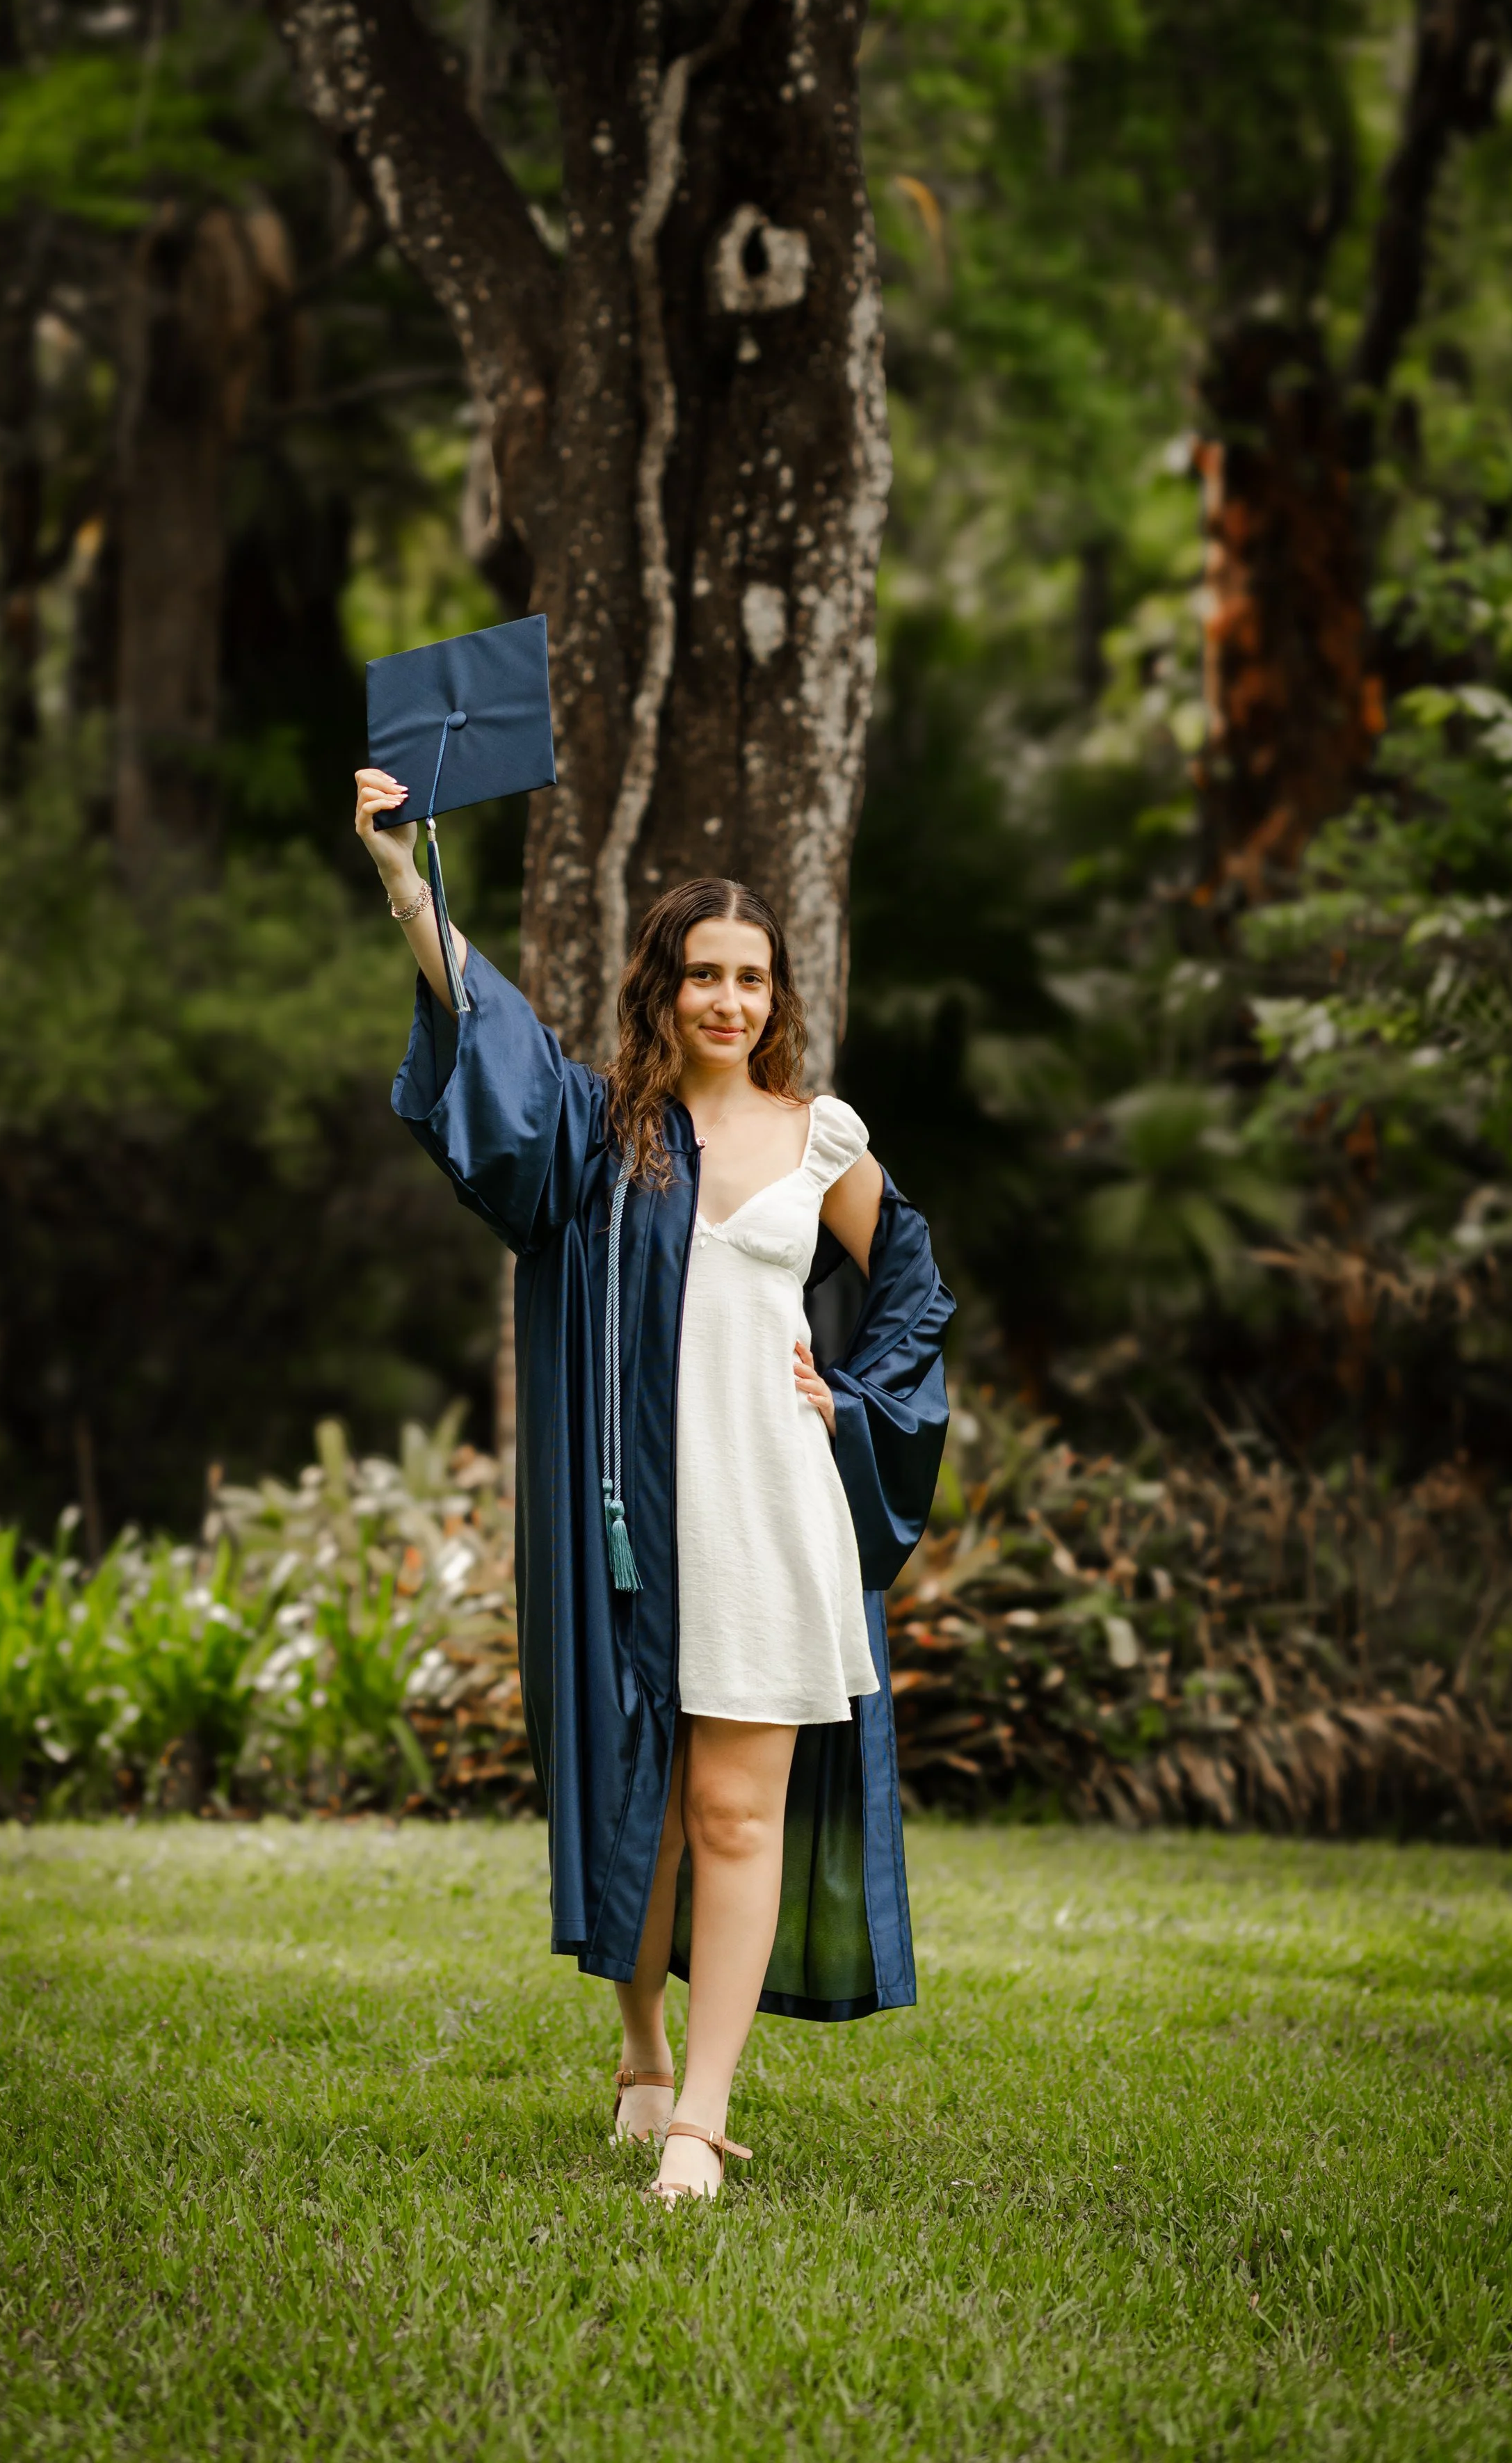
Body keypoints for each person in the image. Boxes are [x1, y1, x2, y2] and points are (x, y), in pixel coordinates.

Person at [355, 765, 953, 2202]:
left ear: (776, 995)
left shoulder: (824, 1139)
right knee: (650, 1807)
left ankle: (700, 2114)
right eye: (702, 975)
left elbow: (913, 1287)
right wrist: (400, 880)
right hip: (632, 1519)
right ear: (665, 986)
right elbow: (484, 1048)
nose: (726, 1002)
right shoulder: (601, 1131)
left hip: (766, 1513)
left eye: (750, 979)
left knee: (737, 1815)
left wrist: (852, 1397)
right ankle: (637, 2049)